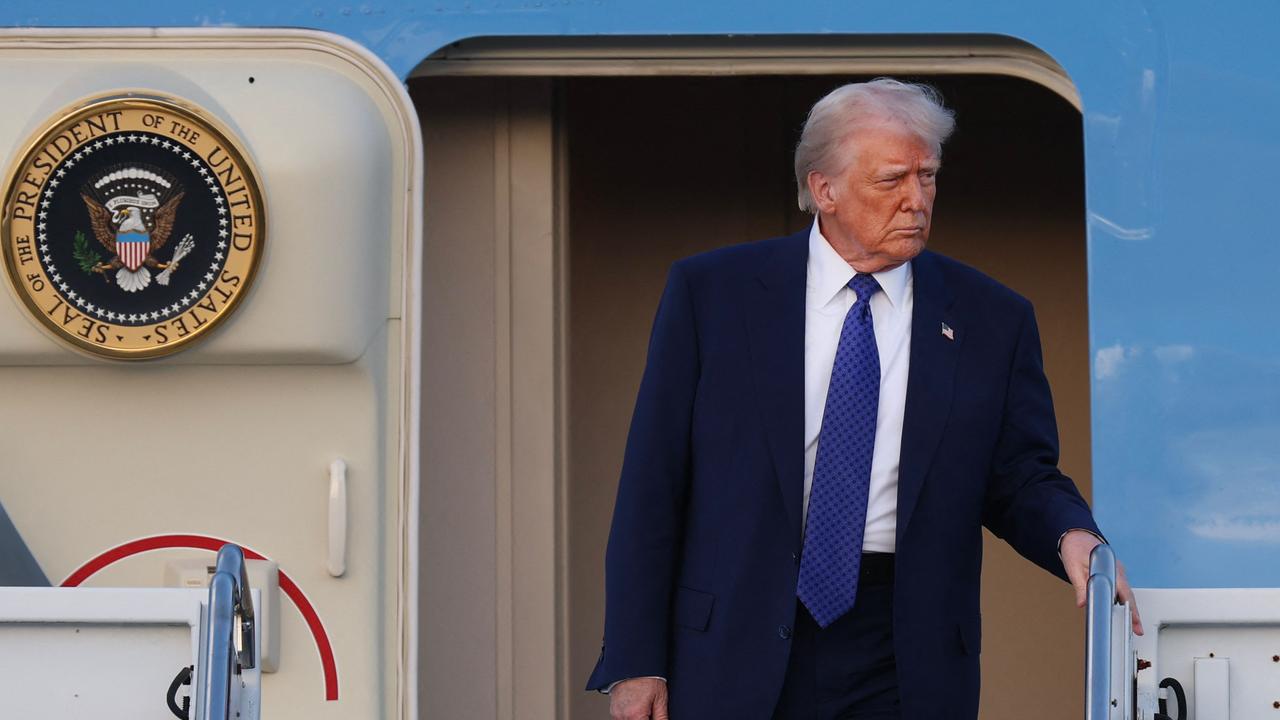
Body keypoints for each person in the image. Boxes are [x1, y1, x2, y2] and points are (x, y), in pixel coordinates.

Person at [585, 78, 1142, 720]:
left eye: (927, 177)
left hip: (904, 644)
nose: (916, 200)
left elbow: (1020, 475)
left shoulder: (993, 317)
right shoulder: (714, 294)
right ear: (824, 190)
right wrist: (634, 659)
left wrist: (1071, 533)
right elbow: (653, 484)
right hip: (738, 629)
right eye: (892, 180)